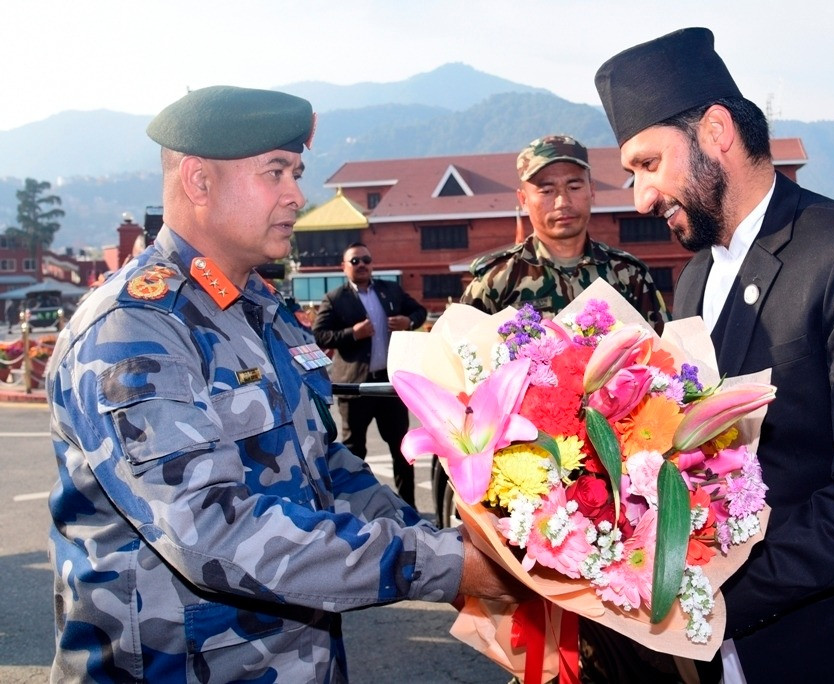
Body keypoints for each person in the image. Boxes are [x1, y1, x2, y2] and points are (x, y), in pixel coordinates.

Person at [44, 85, 526, 682]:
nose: (297, 195)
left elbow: (325, 468)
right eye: (275, 173)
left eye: (296, 172)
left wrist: (447, 546)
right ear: (199, 181)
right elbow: (209, 530)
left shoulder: (258, 309)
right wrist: (445, 567)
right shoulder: (134, 327)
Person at [587, 28, 834, 683]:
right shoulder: (693, 280)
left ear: (715, 132)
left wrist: (696, 597)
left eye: (648, 164)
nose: (639, 198)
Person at [460, 134, 667, 331]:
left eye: (574, 187)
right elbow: (456, 358)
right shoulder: (496, 281)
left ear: (592, 190)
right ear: (523, 200)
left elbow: (665, 354)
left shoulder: (629, 275)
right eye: (547, 191)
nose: (563, 202)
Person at [312, 242, 426, 508]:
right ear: (344, 267)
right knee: (353, 453)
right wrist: (353, 333)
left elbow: (418, 311)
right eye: (355, 261)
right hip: (355, 387)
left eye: (366, 259)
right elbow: (319, 335)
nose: (362, 265)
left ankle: (410, 509)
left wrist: (409, 322)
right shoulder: (335, 299)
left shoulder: (390, 290)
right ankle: (355, 510)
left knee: (402, 450)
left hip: (390, 385)